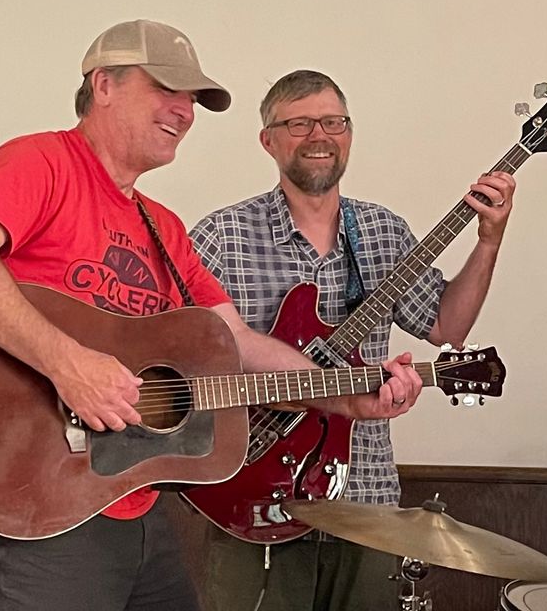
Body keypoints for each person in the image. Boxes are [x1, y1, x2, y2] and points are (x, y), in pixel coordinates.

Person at [0, 21, 423, 611]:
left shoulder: (163, 228)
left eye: (192, 98)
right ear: (104, 84)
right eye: (166, 88)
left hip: (132, 505)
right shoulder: (44, 163)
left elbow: (237, 342)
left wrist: (345, 397)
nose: (184, 111)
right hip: (36, 503)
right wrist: (69, 364)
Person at [189, 67, 518, 611]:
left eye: (333, 122)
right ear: (268, 140)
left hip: (367, 500)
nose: (319, 136)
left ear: (349, 132)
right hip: (249, 496)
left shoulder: (383, 231)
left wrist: (488, 241)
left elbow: (447, 327)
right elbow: (183, 358)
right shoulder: (221, 237)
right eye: (298, 124)